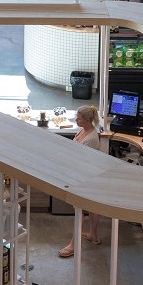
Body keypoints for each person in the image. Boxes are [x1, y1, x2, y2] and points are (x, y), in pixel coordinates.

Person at [58, 106, 103, 258]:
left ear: (88, 120)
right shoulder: (82, 131)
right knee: (92, 207)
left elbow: (82, 161)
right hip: (85, 175)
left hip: (85, 178)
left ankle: (73, 245)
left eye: (79, 118)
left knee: (79, 210)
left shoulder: (91, 139)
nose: (76, 120)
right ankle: (94, 236)